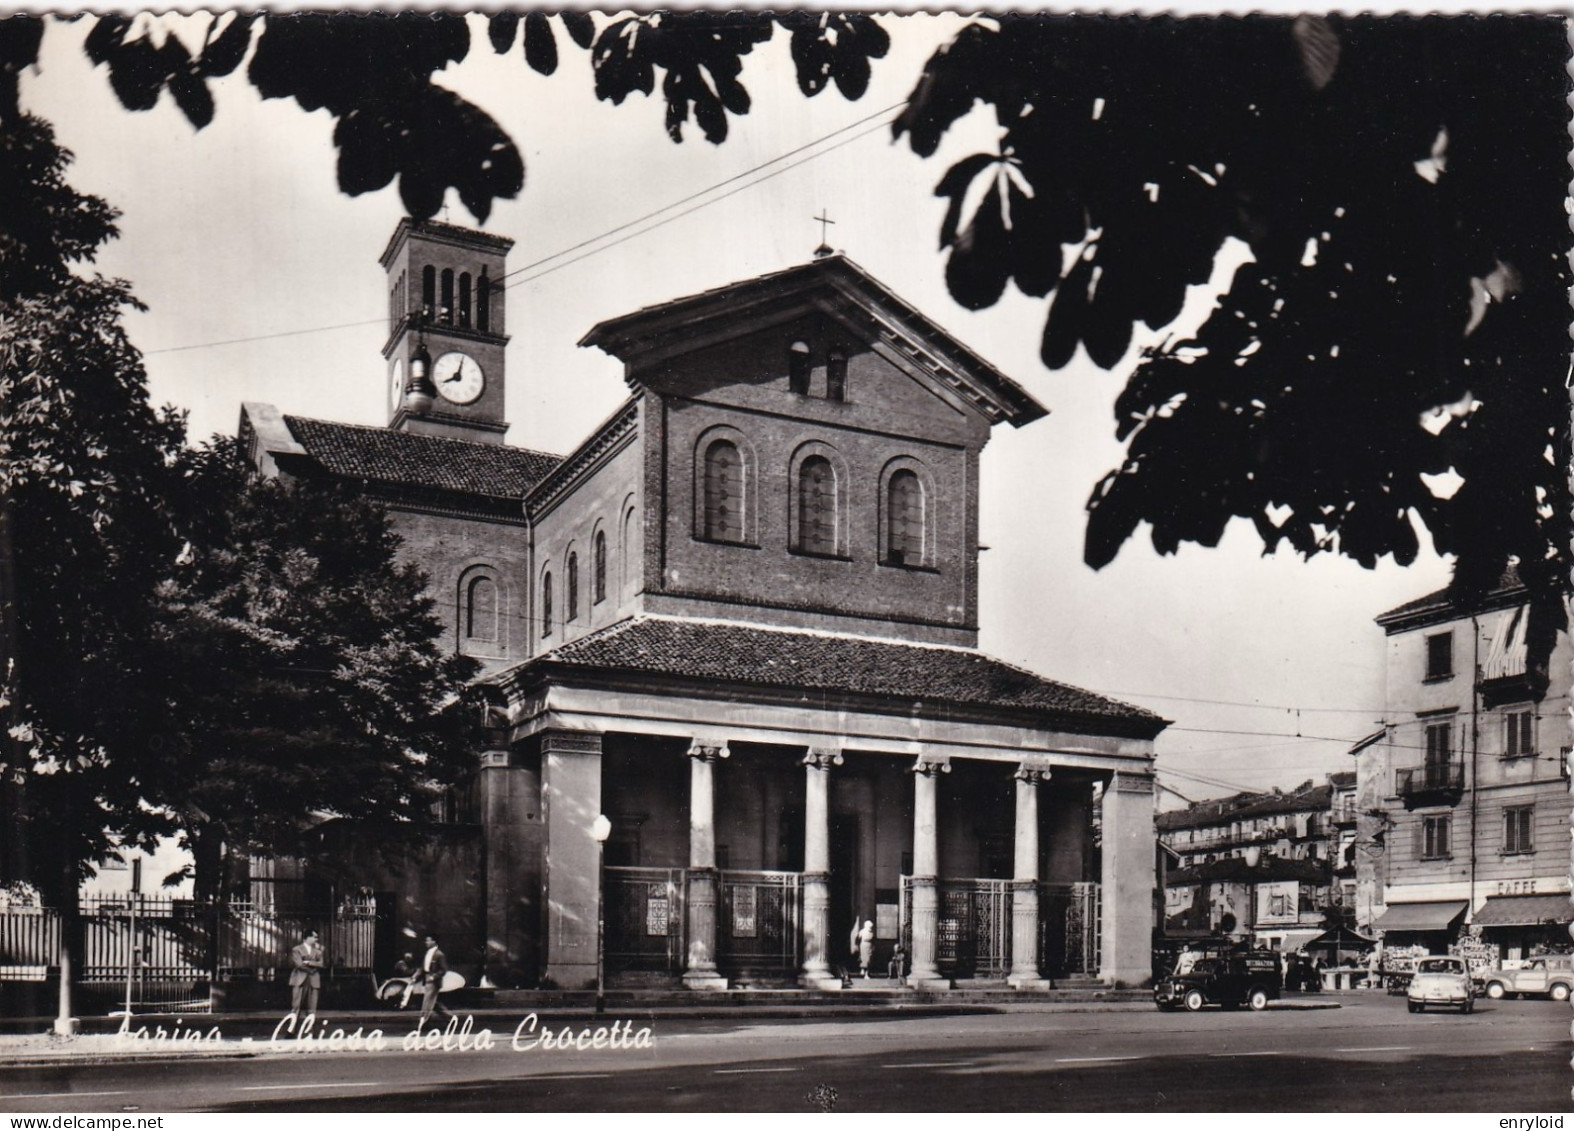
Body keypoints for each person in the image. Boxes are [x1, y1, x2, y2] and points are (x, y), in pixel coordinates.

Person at [418, 934, 452, 1029]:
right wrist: (415, 976)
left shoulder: (439, 954)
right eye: (426, 940)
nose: (426, 942)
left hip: (433, 981)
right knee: (433, 1002)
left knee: (427, 1001)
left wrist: (433, 977)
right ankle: (450, 1018)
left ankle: (423, 1023)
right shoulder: (427, 953)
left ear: (434, 942)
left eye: (428, 940)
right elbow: (423, 967)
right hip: (427, 978)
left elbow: (443, 969)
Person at [289, 929, 324, 1018]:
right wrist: (312, 968)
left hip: (313, 980)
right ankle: (293, 1029)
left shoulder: (317, 951)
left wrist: (308, 962)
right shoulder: (296, 949)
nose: (316, 939)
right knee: (296, 1006)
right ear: (307, 938)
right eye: (314, 937)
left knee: (312, 1008)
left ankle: (309, 1030)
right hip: (300, 979)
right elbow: (299, 964)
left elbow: (321, 964)